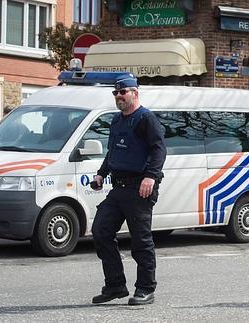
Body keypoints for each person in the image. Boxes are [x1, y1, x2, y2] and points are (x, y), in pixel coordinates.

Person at [90, 74, 166, 306]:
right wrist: (101, 173)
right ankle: (115, 285)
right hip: (118, 187)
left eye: (123, 92)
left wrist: (150, 177)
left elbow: (159, 150)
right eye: (116, 93)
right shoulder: (117, 120)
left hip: (139, 188)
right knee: (101, 230)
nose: (118, 97)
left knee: (141, 241)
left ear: (135, 93)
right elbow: (112, 151)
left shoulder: (146, 119)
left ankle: (145, 288)